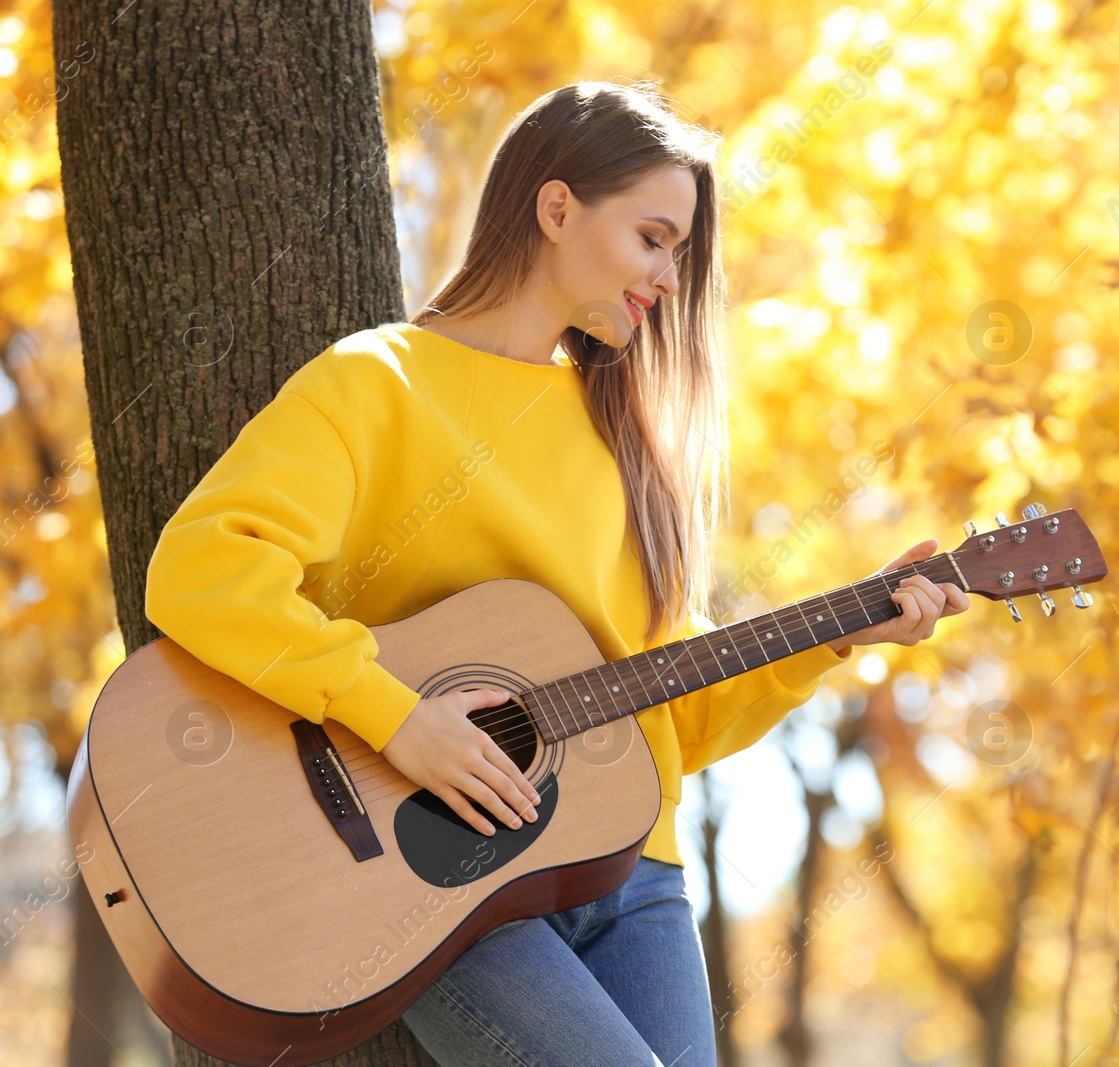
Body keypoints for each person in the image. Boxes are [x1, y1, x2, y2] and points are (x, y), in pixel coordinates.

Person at [143, 80, 969, 1066]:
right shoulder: (374, 384)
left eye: (680, 253)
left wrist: (836, 636)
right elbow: (200, 568)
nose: (669, 276)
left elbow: (665, 713)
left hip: (636, 877)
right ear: (557, 207)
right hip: (442, 874)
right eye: (654, 237)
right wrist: (397, 714)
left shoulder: (622, 442)